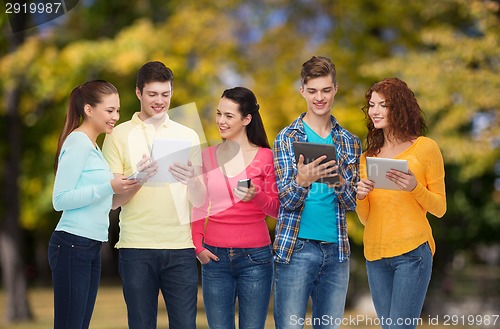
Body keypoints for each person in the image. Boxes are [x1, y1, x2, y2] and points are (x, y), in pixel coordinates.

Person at [102, 61, 203, 329]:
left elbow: (202, 200)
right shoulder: (117, 135)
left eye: (165, 94)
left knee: (185, 325)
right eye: (153, 94)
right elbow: (112, 201)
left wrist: (192, 179)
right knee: (141, 324)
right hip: (136, 248)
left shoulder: (188, 134)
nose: (160, 101)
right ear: (138, 93)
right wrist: (138, 179)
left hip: (181, 248)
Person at [273, 56, 362, 329]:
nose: (319, 98)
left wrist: (339, 182)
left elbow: (351, 203)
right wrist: (302, 180)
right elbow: (286, 201)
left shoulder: (349, 142)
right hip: (296, 247)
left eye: (325, 90)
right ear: (303, 91)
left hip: (336, 251)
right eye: (312, 91)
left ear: (335, 89)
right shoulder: (287, 138)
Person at [356, 78, 447, 329]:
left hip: (412, 254)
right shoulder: (367, 158)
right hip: (375, 255)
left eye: (382, 105)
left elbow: (439, 208)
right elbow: (366, 218)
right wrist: (360, 196)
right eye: (371, 105)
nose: (374, 111)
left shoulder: (425, 149)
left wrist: (414, 188)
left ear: (398, 107)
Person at [49, 80, 135, 329]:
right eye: (110, 111)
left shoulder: (93, 147)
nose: (116, 117)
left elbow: (105, 201)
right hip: (71, 244)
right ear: (89, 109)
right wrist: (109, 185)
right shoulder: (77, 143)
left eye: (117, 111)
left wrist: (135, 181)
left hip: (89, 245)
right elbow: (60, 199)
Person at [192, 87, 279, 329]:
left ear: (246, 119)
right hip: (214, 257)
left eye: (228, 116)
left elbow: (277, 210)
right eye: (219, 114)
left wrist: (256, 196)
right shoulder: (207, 156)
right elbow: (197, 206)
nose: (220, 121)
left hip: (256, 258)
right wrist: (197, 246)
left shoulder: (265, 157)